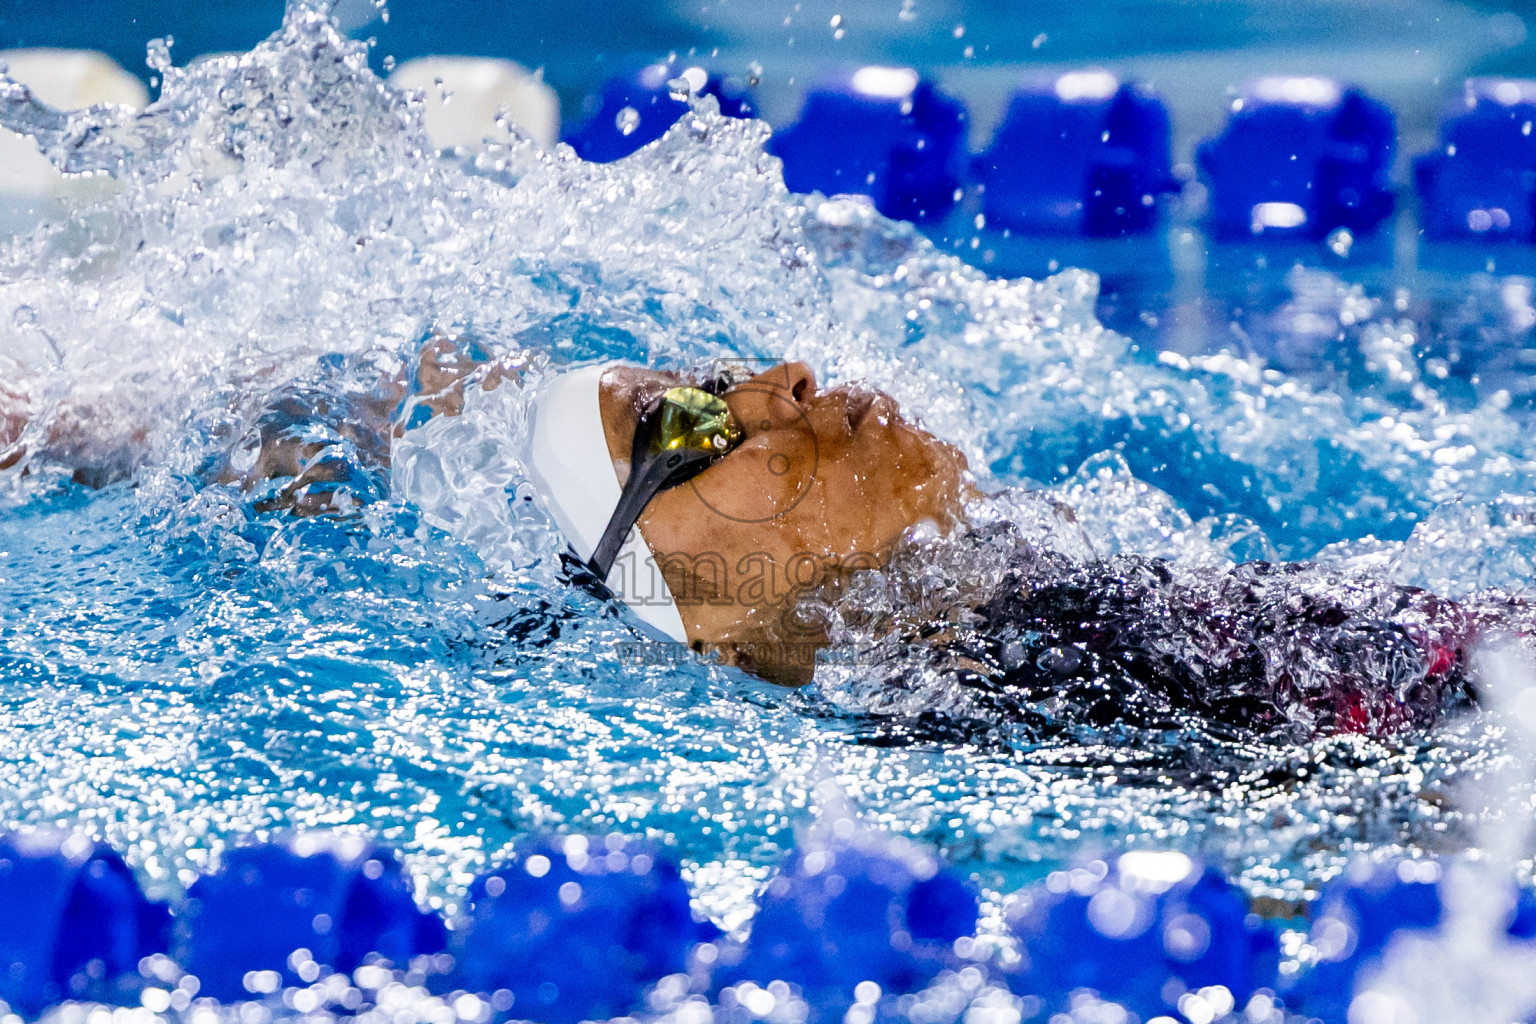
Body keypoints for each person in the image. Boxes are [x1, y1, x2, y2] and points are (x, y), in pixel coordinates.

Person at [5, 338, 1525, 738]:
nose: (780, 389)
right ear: (699, 600)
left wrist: (95, 425)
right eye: (695, 429)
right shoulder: (1030, 692)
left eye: (718, 377)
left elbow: (394, 395)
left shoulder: (984, 616)